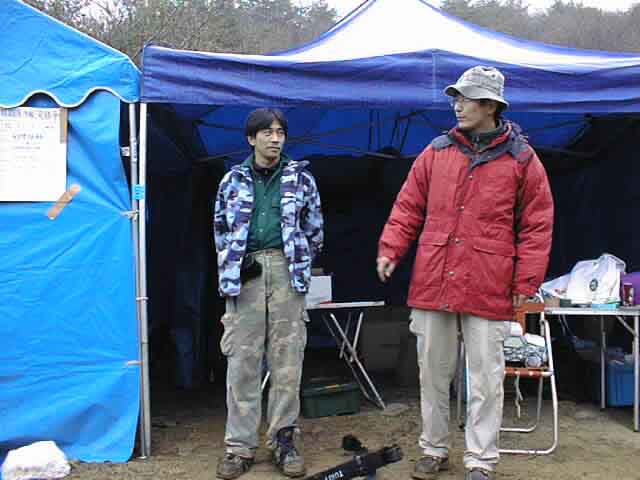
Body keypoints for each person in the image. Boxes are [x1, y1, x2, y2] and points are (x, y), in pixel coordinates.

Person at [376, 66, 554, 480]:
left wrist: (526, 281)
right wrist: (391, 249)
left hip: (489, 282)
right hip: (434, 278)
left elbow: (537, 224)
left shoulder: (522, 159)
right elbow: (408, 206)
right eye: (455, 97)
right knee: (432, 374)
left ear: (490, 106)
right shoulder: (436, 151)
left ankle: (480, 460)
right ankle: (433, 449)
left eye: (466, 98)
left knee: (486, 379)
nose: (457, 105)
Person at [213, 108, 324, 479]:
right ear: (251, 138)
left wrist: (298, 262)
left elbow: (315, 230)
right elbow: (220, 229)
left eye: (280, 132)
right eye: (267, 132)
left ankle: (283, 442)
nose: (275, 139)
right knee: (241, 363)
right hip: (245, 276)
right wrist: (234, 263)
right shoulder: (232, 179)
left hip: (286, 273)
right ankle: (239, 448)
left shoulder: (301, 178)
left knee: (287, 363)